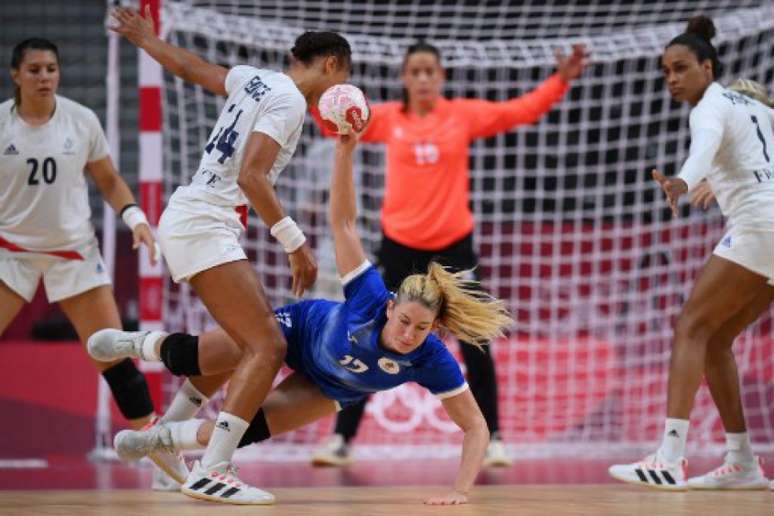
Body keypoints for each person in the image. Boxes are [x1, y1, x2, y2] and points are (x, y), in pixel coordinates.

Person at [88, 133, 514, 506]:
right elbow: (344, 224)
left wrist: (461, 490)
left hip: (330, 385)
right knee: (196, 359)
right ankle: (134, 343)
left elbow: (475, 426)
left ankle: (154, 441)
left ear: (435, 329)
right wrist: (345, 152)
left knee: (242, 430)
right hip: (297, 333)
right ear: (389, 306)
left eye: (421, 329)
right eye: (404, 321)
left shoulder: (431, 359)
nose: (408, 335)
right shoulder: (368, 296)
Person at [106, 6, 352, 504]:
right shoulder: (290, 103)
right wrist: (295, 243)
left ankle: (165, 444)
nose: (336, 91)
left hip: (198, 217)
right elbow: (252, 177)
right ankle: (213, 468)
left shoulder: (257, 80)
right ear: (330, 65)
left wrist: (147, 41)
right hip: (204, 222)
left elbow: (192, 68)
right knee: (269, 347)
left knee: (249, 342)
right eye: (341, 78)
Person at [310, 40, 588, 467]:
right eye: (415, 71)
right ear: (404, 77)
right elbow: (334, 123)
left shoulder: (462, 115)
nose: (422, 78)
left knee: (478, 339)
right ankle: (341, 439)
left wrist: (560, 82)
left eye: (430, 71)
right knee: (366, 334)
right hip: (399, 249)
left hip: (453, 251)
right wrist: (316, 91)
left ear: (441, 77)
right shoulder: (385, 119)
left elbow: (521, 109)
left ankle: (492, 436)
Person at [0, 37, 185, 488]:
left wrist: (137, 217)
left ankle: (166, 464)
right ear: (16, 75)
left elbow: (108, 178)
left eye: (51, 69)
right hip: (10, 253)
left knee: (116, 356)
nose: (45, 77)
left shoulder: (81, 120)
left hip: (74, 253)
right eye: (35, 70)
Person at [608, 16, 774, 491]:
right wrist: (712, 181)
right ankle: (742, 460)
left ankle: (670, 457)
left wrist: (683, 178)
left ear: (707, 66)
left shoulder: (709, 107)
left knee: (691, 327)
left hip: (759, 227)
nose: (672, 79)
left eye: (681, 68)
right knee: (717, 339)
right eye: (665, 71)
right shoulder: (753, 104)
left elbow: (704, 145)